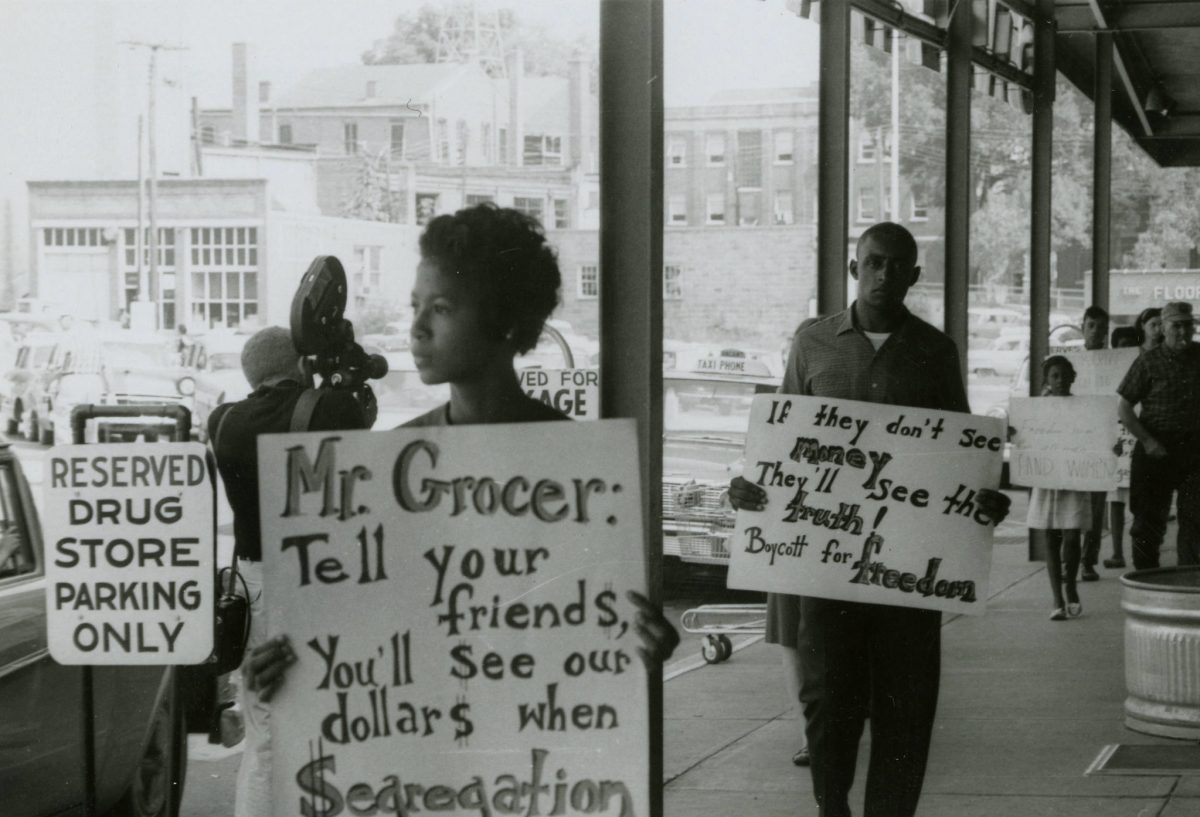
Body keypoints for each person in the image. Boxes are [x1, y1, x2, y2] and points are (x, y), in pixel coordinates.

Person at [245, 204, 679, 706]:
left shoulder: (584, 472)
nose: (418, 329)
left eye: (443, 308)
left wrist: (645, 647)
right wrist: (284, 668)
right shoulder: (382, 473)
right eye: (416, 307)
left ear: (506, 321)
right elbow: (353, 629)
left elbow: (598, 622)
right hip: (419, 749)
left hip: (541, 744)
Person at [728, 222, 1010, 817]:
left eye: (897, 265)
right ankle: (832, 808)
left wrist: (987, 495)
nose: (885, 276)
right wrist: (753, 488)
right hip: (826, 573)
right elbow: (783, 442)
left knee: (906, 714)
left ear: (914, 275)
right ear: (854, 268)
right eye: (874, 263)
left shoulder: (936, 351)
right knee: (830, 708)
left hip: (909, 576)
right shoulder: (813, 344)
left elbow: (960, 453)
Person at [208, 326, 370, 817]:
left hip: (258, 586)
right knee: (333, 724)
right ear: (301, 364)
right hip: (322, 584)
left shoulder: (223, 420)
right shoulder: (331, 408)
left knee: (264, 738)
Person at [766, 315, 822, 769]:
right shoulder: (777, 419)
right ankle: (810, 731)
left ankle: (820, 729)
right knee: (791, 638)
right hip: (789, 538)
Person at [1117, 301, 1200, 570]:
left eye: (1188, 325)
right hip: (1156, 448)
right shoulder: (1148, 361)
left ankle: (1191, 583)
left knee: (1195, 520)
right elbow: (1124, 406)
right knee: (1147, 522)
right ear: (1163, 328)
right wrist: (1148, 441)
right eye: (1176, 326)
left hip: (1195, 448)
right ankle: (1146, 579)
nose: (1183, 332)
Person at [1024, 356, 1091, 619]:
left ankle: (1071, 586)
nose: (1060, 380)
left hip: (1073, 478)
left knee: (1072, 535)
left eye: (1064, 375)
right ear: (1047, 380)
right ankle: (1056, 599)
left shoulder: (1084, 408)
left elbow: (1094, 438)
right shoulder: (1038, 409)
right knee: (1051, 538)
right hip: (1048, 479)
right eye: (1055, 376)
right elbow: (1026, 439)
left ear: (1073, 377)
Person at [1103, 321, 1150, 570]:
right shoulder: (1106, 372)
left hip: (1137, 436)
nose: (1127, 350)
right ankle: (1117, 551)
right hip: (1116, 439)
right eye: (1122, 346)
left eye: (1132, 345)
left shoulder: (1145, 367)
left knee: (1139, 501)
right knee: (1116, 500)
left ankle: (1136, 552)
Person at [1079, 305, 1110, 581]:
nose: (1096, 332)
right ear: (1082, 328)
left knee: (1096, 510)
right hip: (1073, 445)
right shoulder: (1067, 361)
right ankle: (1071, 559)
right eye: (1091, 326)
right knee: (1072, 506)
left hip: (1101, 445)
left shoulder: (1116, 364)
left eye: (1101, 327)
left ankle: (1088, 561)